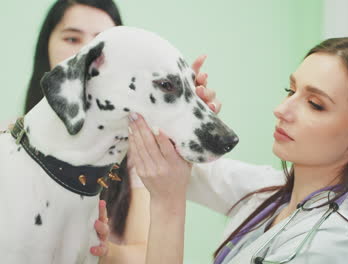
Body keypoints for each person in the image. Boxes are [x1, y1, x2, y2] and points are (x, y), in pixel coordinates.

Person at [95, 37, 348, 264]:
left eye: (315, 104)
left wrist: (168, 204)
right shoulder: (272, 191)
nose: (282, 109)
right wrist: (183, 116)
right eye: (290, 90)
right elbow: (169, 163)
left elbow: (171, 181)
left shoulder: (337, 244)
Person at [6, 0, 214, 263]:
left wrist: (179, 111)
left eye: (101, 41)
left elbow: (146, 253)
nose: (88, 52)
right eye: (72, 38)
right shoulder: (10, 145)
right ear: (46, 44)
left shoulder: (137, 148)